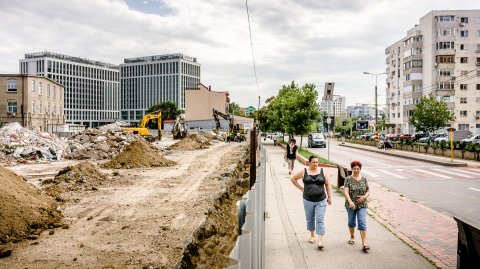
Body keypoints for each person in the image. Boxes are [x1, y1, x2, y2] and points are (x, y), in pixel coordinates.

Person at [291, 155, 332, 249]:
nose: (316, 164)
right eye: (313, 162)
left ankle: (320, 240)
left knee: (320, 220)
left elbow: (327, 184)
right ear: (309, 162)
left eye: (317, 162)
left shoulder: (323, 171)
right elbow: (293, 179)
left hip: (321, 200)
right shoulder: (304, 171)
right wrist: (301, 188)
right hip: (308, 200)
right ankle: (312, 236)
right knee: (310, 218)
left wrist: (329, 197)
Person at [344, 160, 371, 252]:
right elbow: (346, 192)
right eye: (354, 168)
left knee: (362, 222)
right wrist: (350, 202)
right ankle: (352, 237)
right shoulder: (348, 179)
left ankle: (364, 243)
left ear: (360, 169)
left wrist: (364, 197)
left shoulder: (364, 179)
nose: (356, 170)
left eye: (358, 169)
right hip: (350, 205)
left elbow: (368, 191)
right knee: (351, 222)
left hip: (362, 204)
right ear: (352, 169)